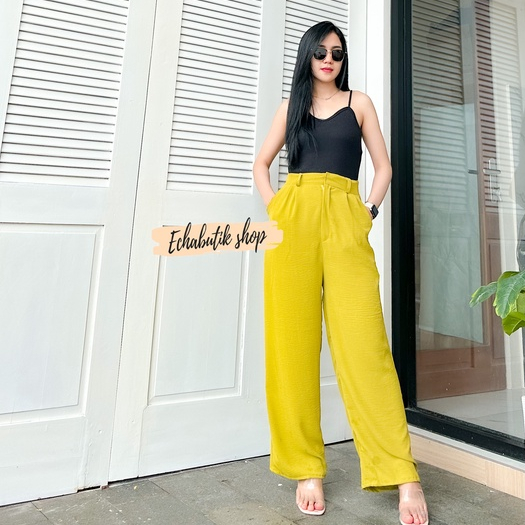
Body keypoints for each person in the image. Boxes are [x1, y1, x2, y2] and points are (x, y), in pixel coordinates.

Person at [253, 21, 429, 525]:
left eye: (337, 52)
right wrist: (279, 209)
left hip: (345, 221)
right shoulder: (290, 108)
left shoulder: (360, 104)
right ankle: (306, 468)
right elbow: (261, 165)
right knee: (292, 348)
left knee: (366, 348)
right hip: (294, 223)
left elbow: (384, 167)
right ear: (308, 56)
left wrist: (366, 213)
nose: (329, 59)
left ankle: (402, 472)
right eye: (321, 52)